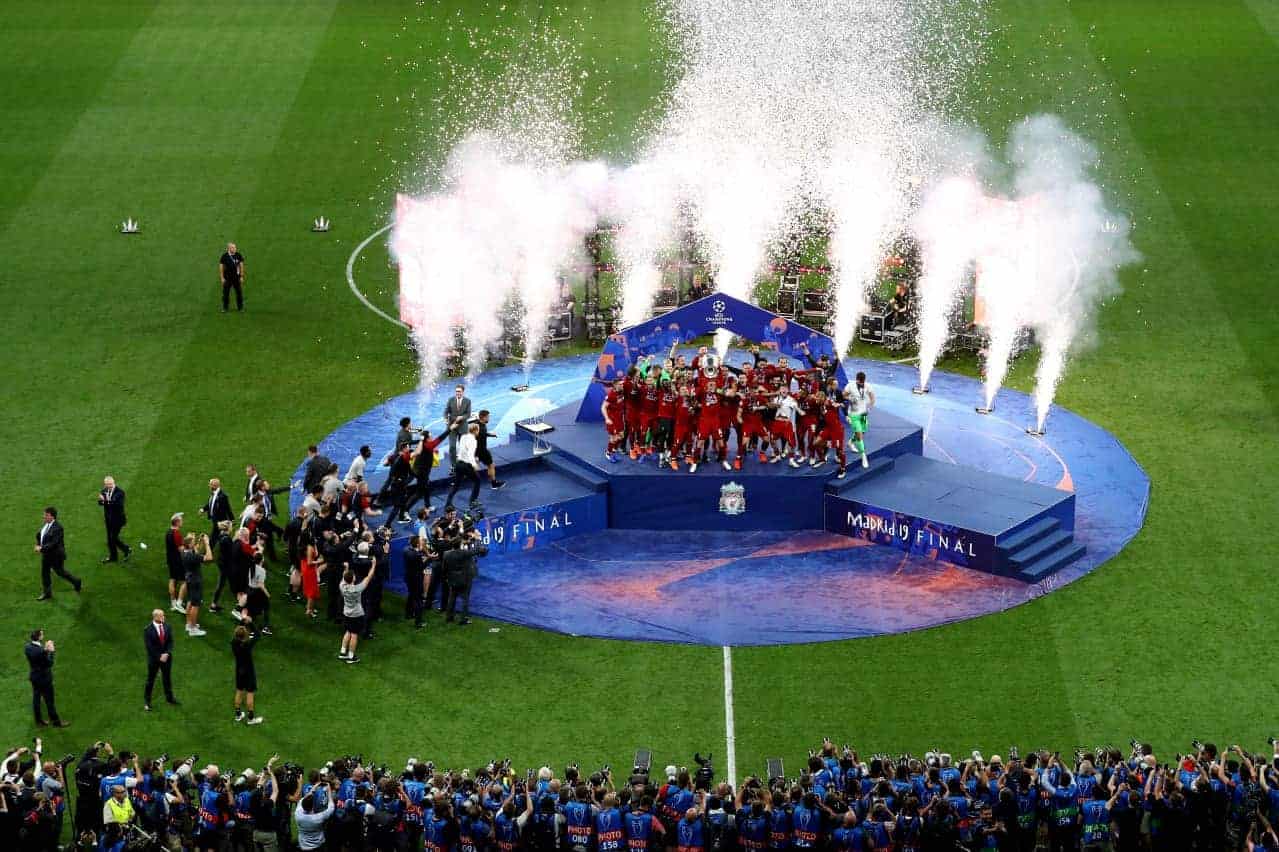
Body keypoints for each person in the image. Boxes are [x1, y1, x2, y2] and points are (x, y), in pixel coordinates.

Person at [443, 523, 489, 625]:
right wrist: (477, 538)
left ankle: (449, 617)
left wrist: (446, 578)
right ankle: (463, 619)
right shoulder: (464, 553)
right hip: (464, 579)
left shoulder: (446, 554)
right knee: (465, 599)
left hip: (452, 579)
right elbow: (478, 550)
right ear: (459, 545)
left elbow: (444, 568)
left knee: (451, 598)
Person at [338, 548, 377, 664]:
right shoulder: (357, 589)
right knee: (354, 634)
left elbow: (344, 576)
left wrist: (346, 568)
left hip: (346, 613)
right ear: (352, 579)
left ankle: (342, 652)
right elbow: (368, 577)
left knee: (348, 632)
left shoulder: (342, 586)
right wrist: (373, 565)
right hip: (356, 615)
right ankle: (351, 656)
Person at [35, 506, 81, 601]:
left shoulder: (58, 528)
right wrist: (38, 545)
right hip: (46, 555)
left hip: (56, 556)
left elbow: (54, 543)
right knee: (45, 573)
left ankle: (76, 581)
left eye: (46, 515)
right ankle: (47, 593)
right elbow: (40, 536)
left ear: (52, 516)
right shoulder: (46, 525)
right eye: (44, 515)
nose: (44, 517)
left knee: (60, 572)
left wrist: (41, 548)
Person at [26, 629, 67, 728]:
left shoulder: (27, 647)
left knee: (36, 699)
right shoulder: (40, 651)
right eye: (42, 634)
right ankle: (56, 722)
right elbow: (49, 663)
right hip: (44, 679)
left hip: (34, 677)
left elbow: (38, 655)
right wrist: (51, 651)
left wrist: (45, 650)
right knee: (49, 701)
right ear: (39, 637)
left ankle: (38, 721)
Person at [143, 609, 179, 711]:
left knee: (167, 678)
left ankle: (170, 698)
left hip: (167, 658)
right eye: (161, 616)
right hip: (154, 659)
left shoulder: (167, 626)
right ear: (155, 617)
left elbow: (170, 642)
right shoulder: (147, 630)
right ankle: (147, 701)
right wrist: (160, 656)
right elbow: (149, 647)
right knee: (151, 680)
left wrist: (167, 653)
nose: (164, 617)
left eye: (163, 615)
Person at [231, 623, 264, 724]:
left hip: (239, 671)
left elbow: (238, 632)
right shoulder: (247, 645)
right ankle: (250, 719)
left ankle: (238, 715)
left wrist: (242, 622)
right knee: (250, 693)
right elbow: (258, 634)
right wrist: (250, 622)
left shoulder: (233, 643)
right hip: (249, 672)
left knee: (239, 691)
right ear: (245, 635)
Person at [181, 533, 213, 637]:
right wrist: (207, 544)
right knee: (195, 605)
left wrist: (199, 542)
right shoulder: (192, 556)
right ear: (189, 545)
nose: (194, 544)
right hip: (195, 581)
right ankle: (193, 629)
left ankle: (188, 624)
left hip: (189, 579)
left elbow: (196, 550)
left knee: (190, 601)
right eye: (193, 542)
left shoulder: (185, 552)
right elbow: (209, 558)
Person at [445, 424, 483, 509]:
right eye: (478, 430)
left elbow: (463, 450)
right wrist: (474, 464)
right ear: (475, 431)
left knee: (456, 485)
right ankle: (472, 501)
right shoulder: (473, 441)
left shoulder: (463, 437)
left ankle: (448, 503)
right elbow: (470, 454)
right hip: (466, 465)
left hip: (458, 464)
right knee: (477, 480)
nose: (478, 432)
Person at [845, 371, 876, 469]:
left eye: (863, 382)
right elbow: (843, 395)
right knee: (859, 435)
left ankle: (850, 442)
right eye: (860, 382)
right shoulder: (850, 386)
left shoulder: (867, 386)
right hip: (853, 414)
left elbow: (872, 397)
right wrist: (850, 398)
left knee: (862, 432)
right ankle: (863, 456)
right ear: (856, 379)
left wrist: (870, 407)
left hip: (863, 414)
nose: (862, 383)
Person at [97, 475, 132, 563]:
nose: (108, 486)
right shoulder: (104, 491)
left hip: (118, 520)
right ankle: (113, 557)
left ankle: (126, 549)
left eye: (110, 484)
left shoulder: (120, 492)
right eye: (107, 484)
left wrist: (104, 500)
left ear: (114, 482)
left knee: (113, 538)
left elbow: (115, 504)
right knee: (109, 539)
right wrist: (101, 500)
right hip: (108, 519)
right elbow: (100, 503)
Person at [474, 410, 507, 490]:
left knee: (474, 467)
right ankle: (494, 484)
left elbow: (481, 434)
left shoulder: (477, 423)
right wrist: (490, 435)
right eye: (488, 417)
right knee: (491, 465)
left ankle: (459, 480)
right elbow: (482, 434)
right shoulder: (482, 428)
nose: (489, 418)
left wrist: (490, 435)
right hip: (482, 450)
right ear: (484, 417)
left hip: (475, 450)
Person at [403, 535, 429, 629]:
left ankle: (409, 613)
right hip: (417, 579)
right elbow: (422, 566)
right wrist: (429, 558)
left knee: (411, 595)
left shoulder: (406, 550)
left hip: (409, 577)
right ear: (417, 544)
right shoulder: (416, 555)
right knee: (418, 600)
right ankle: (419, 622)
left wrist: (420, 549)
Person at [443, 384, 472, 468]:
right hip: (452, 427)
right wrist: (445, 418)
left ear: (463, 392)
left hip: (463, 427)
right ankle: (453, 466)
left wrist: (462, 417)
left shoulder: (468, 401)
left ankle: (464, 463)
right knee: (452, 447)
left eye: (459, 391)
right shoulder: (450, 400)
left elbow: (468, 414)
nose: (457, 393)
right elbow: (446, 411)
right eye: (456, 391)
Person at [219, 242, 246, 312]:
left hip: (236, 278)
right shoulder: (224, 256)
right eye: (233, 248)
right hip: (227, 278)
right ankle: (225, 308)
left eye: (235, 247)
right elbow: (221, 268)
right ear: (229, 248)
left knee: (239, 293)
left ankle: (240, 308)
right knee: (226, 294)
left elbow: (241, 266)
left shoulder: (238, 255)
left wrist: (242, 276)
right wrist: (222, 278)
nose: (235, 249)